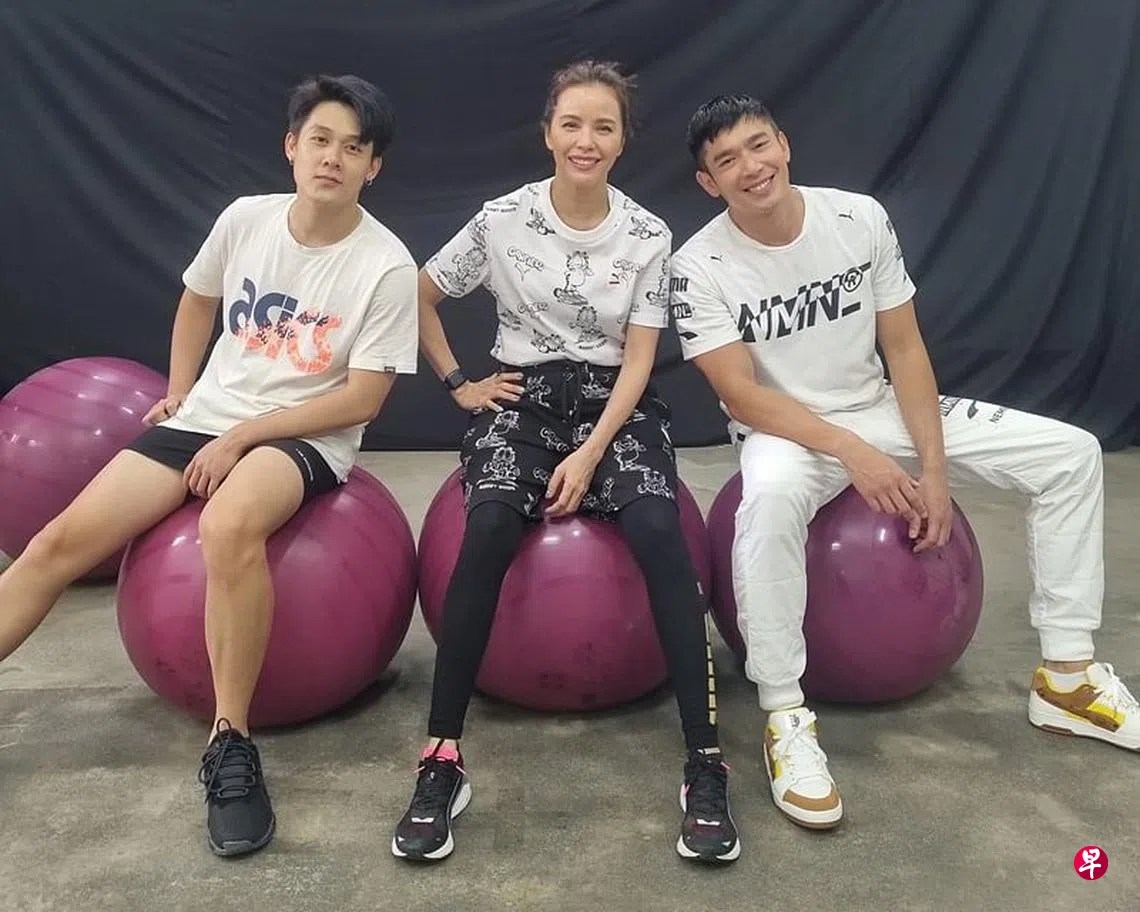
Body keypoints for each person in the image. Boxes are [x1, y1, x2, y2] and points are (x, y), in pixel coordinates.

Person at [670, 94, 1139, 831]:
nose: (750, 167)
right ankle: (784, 716)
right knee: (767, 501)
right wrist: (853, 452)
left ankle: (1068, 676)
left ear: (784, 144)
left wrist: (934, 469)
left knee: (1071, 455)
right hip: (788, 432)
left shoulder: (858, 218)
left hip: (877, 406)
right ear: (709, 182)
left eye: (758, 145)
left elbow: (905, 347)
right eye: (727, 161)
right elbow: (743, 395)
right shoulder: (697, 265)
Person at [0, 74, 419, 856]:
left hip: (304, 436)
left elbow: (362, 397)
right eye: (320, 140)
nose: (332, 158)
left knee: (226, 526)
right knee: (54, 544)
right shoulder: (246, 219)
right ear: (292, 146)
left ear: (373, 168)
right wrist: (181, 389)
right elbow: (199, 298)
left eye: (353, 148)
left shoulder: (385, 265)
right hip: (205, 420)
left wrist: (247, 435)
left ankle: (231, 744)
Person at [391, 61, 739, 865]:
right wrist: (459, 383)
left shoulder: (648, 234)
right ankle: (441, 759)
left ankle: (705, 763)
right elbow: (417, 292)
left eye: (604, 127)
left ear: (622, 141)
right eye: (572, 124)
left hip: (616, 404)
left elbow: (642, 359)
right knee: (487, 529)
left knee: (658, 529)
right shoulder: (502, 220)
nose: (587, 140)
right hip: (522, 399)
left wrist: (589, 453)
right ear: (549, 132)